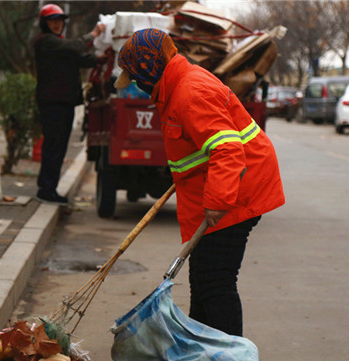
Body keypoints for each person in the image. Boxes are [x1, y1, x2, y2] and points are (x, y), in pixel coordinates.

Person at [115, 28, 285, 336]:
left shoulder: (190, 91)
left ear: (150, 68)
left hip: (238, 189)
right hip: (228, 183)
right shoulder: (176, 86)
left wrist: (217, 203)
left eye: (137, 78)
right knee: (203, 278)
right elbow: (201, 147)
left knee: (216, 281)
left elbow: (227, 149)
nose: (138, 86)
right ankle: (202, 352)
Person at [34, 4, 105, 205]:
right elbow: (74, 48)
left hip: (63, 103)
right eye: (52, 21)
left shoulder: (58, 44)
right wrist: (94, 34)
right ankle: (46, 189)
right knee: (54, 146)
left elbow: (78, 59)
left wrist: (99, 59)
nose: (57, 25)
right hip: (52, 104)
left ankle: (49, 188)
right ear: (44, 24)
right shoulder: (46, 42)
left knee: (58, 146)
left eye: (60, 21)